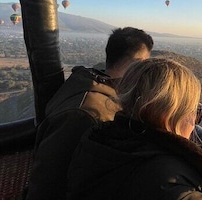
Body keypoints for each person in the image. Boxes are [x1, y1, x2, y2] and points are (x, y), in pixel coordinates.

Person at [67, 58, 202, 200]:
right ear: (173, 113)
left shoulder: (100, 140)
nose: (195, 121)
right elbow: (156, 177)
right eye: (196, 112)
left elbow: (148, 158)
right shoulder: (167, 186)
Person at [25, 27, 154, 200]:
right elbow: (48, 182)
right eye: (144, 65)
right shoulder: (84, 114)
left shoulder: (91, 88)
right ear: (136, 64)